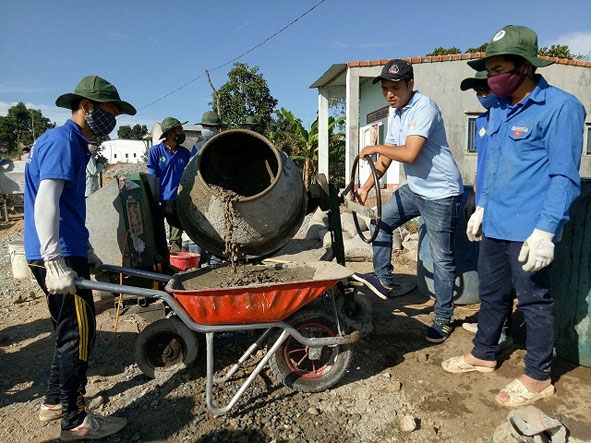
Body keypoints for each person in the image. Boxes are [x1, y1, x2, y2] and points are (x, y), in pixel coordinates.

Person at [442, 25, 586, 408]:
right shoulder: (501, 110)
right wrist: (483, 208)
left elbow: (564, 175)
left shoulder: (560, 108)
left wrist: (545, 231)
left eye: (499, 68)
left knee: (534, 301)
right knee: (492, 295)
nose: (492, 78)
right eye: (488, 70)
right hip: (497, 223)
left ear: (524, 67)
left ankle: (539, 376)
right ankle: (483, 353)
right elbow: (493, 166)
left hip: (530, 227)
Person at [24, 75, 135, 440]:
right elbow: (46, 202)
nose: (112, 120)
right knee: (80, 335)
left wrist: (86, 251)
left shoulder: (73, 143)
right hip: (56, 255)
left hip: (67, 251)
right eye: (108, 112)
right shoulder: (62, 142)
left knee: (67, 332)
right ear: (85, 107)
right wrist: (55, 258)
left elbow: (68, 209)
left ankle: (55, 401)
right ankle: (75, 421)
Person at [352, 59, 463, 343]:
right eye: (386, 89)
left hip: (441, 193)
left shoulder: (424, 107)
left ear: (410, 84)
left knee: (442, 259)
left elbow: (410, 153)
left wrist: (374, 147)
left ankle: (443, 318)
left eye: (396, 88)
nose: (390, 94)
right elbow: (387, 157)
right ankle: (383, 279)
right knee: (382, 223)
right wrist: (365, 187)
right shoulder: (397, 113)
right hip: (416, 188)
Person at [459, 71, 512, 348]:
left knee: (504, 272)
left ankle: (503, 328)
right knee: (489, 270)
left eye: (484, 87)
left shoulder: (510, 115)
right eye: (476, 89)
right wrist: (474, 196)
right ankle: (490, 322)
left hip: (505, 205)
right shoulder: (482, 121)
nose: (480, 93)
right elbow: (483, 163)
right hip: (482, 202)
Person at [147, 117, 190, 252]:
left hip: (177, 198)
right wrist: (153, 198)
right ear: (170, 133)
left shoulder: (185, 153)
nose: (182, 132)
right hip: (160, 199)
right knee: (158, 233)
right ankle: (161, 258)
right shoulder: (155, 152)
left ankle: (176, 257)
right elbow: (152, 177)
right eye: (179, 130)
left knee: (177, 233)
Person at [190, 111, 224, 267]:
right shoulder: (197, 145)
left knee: (219, 226)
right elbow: (190, 168)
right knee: (202, 225)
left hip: (221, 191)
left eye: (209, 126)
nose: (206, 129)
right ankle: (200, 259)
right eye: (204, 126)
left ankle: (216, 259)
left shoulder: (225, 143)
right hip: (202, 190)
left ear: (217, 128)